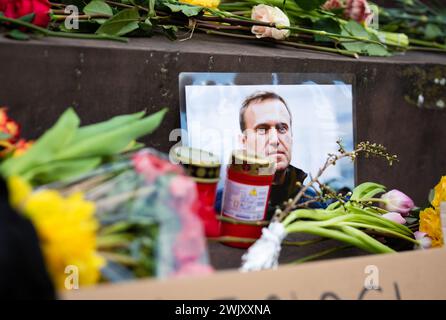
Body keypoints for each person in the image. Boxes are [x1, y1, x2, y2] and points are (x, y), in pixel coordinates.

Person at [215, 91, 324, 220]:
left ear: (292, 136)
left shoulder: (313, 204)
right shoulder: (220, 206)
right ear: (244, 142)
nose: (275, 140)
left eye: (282, 128)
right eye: (262, 130)